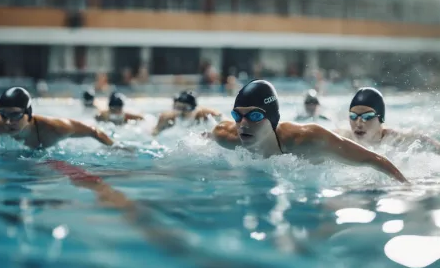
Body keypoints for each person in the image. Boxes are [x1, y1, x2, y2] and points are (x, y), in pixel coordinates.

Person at [205, 80, 408, 183]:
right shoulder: (227, 135)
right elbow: (202, 139)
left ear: (273, 119)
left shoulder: (309, 138)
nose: (243, 124)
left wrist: (407, 186)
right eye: (237, 115)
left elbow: (372, 158)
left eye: (255, 116)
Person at [0, 87, 116, 149]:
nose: (8, 121)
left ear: (29, 113)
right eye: (3, 114)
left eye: (15, 115)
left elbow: (92, 131)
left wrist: (115, 147)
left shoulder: (56, 128)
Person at [335, 87, 440, 152]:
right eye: (353, 116)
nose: (358, 123)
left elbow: (426, 142)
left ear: (381, 118)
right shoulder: (342, 137)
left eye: (367, 117)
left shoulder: (396, 140)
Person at [152, 90, 223, 136]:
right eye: (178, 108)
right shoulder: (167, 117)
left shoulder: (205, 114)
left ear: (194, 108)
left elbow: (224, 123)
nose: (181, 112)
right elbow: (154, 133)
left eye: (186, 108)